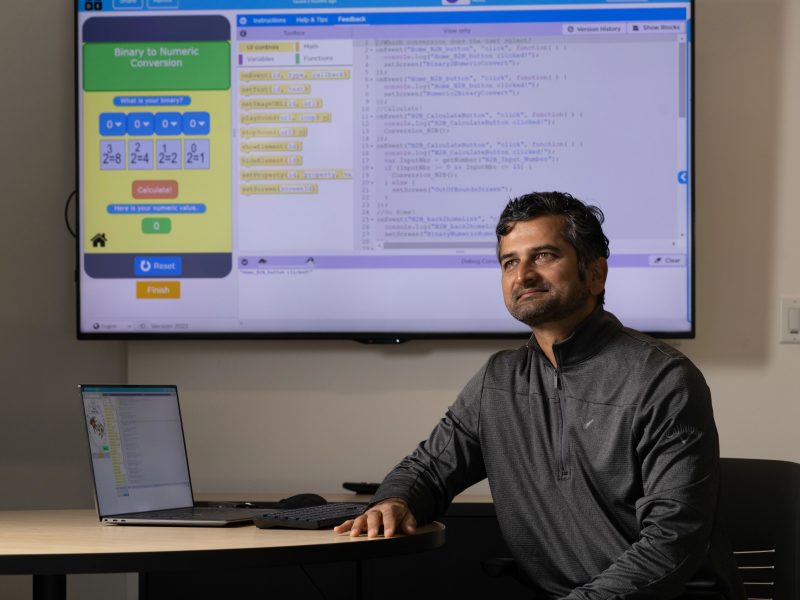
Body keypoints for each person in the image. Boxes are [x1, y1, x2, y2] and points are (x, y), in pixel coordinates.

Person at [334, 192, 745, 600]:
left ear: (595, 275)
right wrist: (395, 501)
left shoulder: (662, 378)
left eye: (544, 256)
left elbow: (671, 544)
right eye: (510, 262)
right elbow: (427, 469)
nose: (523, 275)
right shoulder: (499, 379)